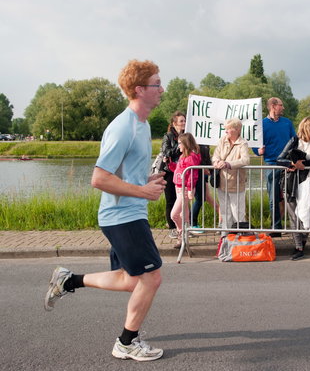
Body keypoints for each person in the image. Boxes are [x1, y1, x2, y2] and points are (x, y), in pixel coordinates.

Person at [44, 59, 167, 361]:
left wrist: (145, 180)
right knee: (152, 278)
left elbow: (122, 172)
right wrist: (142, 191)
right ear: (140, 90)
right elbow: (99, 178)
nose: (161, 89)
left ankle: (68, 280)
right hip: (121, 216)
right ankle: (126, 342)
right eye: (156, 84)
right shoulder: (123, 127)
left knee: (130, 279)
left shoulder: (143, 123)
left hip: (130, 213)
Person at [277, 117, 310, 260]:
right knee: (294, 215)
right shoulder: (294, 140)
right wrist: (291, 164)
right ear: (307, 130)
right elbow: (279, 159)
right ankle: (298, 246)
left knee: (307, 212)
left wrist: (304, 164)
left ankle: (303, 242)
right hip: (292, 182)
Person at [253, 97, 296, 236]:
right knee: (273, 197)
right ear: (273, 106)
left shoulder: (287, 123)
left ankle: (295, 226)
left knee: (291, 196)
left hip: (288, 165)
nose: (283, 108)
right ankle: (276, 227)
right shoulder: (261, 124)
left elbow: (295, 141)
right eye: (281, 105)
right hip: (271, 164)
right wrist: (257, 151)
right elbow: (255, 144)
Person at [212, 118, 250, 234]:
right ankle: (226, 235)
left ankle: (240, 235)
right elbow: (215, 156)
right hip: (222, 182)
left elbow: (245, 160)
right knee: (225, 211)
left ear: (237, 129)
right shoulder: (222, 140)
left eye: (228, 128)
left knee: (238, 211)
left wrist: (229, 164)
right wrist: (216, 162)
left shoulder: (242, 143)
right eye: (226, 128)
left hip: (236, 182)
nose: (226, 131)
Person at [152, 111, 185, 239]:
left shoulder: (187, 135)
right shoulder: (168, 136)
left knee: (182, 201)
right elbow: (166, 152)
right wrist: (179, 146)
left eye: (184, 120)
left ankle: (182, 227)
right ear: (174, 123)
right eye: (181, 121)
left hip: (183, 172)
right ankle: (172, 227)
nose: (184, 123)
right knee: (171, 199)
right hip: (170, 172)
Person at [170, 132, 201, 248]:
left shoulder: (191, 157)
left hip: (184, 188)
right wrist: (170, 164)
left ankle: (181, 233)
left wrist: (190, 189)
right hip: (178, 186)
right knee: (184, 215)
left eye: (179, 143)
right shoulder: (182, 156)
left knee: (174, 215)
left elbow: (193, 174)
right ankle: (183, 238)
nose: (178, 146)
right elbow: (179, 170)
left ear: (186, 144)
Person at [191, 144, 221, 234]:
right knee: (200, 199)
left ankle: (221, 222)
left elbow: (207, 158)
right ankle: (191, 224)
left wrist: (211, 171)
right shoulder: (196, 143)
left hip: (203, 172)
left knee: (205, 198)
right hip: (198, 172)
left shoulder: (205, 144)